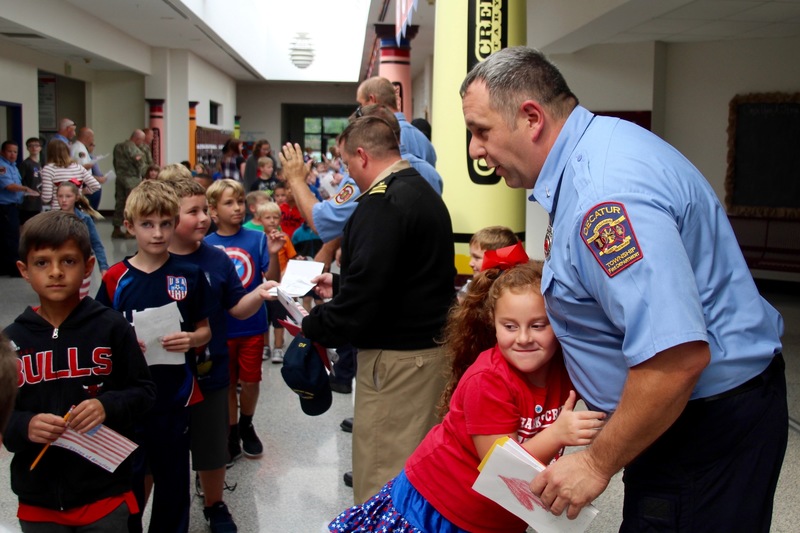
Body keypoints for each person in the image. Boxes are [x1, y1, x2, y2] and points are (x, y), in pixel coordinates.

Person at [460, 46, 787, 530]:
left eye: (481, 131)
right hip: (681, 419)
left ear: (531, 117)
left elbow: (675, 357)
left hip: (701, 427)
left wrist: (595, 463)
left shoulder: (604, 195)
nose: (475, 150)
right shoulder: (597, 152)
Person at [329, 255, 605, 532]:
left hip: (494, 516)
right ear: (492, 324)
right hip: (438, 508)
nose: (523, 338)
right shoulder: (488, 380)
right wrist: (557, 434)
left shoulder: (564, 367)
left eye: (538, 325)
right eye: (510, 326)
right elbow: (502, 467)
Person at [289, 116, 456, 503]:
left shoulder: (383, 203)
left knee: (383, 479)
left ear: (361, 156)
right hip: (424, 355)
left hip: (398, 362)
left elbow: (360, 307)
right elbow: (400, 277)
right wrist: (343, 285)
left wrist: (312, 324)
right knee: (413, 474)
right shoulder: (418, 190)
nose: (348, 172)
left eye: (347, 163)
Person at [4, 210, 155, 532]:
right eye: (42, 262)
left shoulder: (112, 327)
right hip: (38, 501)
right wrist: (24, 424)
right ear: (24, 270)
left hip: (106, 493)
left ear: (87, 266)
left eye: (68, 261)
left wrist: (106, 405)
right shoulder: (10, 341)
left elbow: (144, 392)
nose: (56, 272)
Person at [96, 179, 212, 533]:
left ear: (175, 224)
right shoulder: (116, 278)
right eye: (147, 225)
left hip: (174, 398)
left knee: (173, 483)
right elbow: (100, 342)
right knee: (129, 479)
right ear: (129, 226)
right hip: (128, 402)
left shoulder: (189, 275)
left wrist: (191, 339)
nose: (158, 233)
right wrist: (124, 347)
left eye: (165, 223)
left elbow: (206, 330)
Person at [164, 175, 279, 533]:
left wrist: (259, 295)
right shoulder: (156, 260)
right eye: (193, 211)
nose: (202, 218)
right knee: (165, 447)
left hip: (210, 366)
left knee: (213, 445)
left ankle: (214, 503)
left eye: (203, 211)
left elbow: (236, 308)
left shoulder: (216, 259)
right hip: (165, 376)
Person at [205, 179, 279, 464]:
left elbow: (272, 279)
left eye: (239, 202)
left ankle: (247, 423)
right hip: (221, 328)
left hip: (252, 325)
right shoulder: (208, 245)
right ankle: (231, 431)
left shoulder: (256, 238)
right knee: (226, 383)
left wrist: (273, 255)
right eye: (228, 203)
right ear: (213, 210)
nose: (237, 208)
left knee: (250, 381)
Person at [356, 77, 437, 167]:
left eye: (361, 105)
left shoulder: (385, 137)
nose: (361, 112)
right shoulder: (423, 140)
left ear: (373, 100)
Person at [254, 201, 296, 364]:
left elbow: (291, 258)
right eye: (267, 217)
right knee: (264, 316)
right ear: (259, 219)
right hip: (262, 284)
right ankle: (266, 345)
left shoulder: (284, 237)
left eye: (275, 217)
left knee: (279, 317)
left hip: (281, 285)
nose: (272, 221)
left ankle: (278, 347)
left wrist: (284, 274)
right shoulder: (258, 239)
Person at [55, 181, 108, 299]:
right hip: (61, 265)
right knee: (63, 297)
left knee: (80, 298)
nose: (64, 200)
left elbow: (96, 244)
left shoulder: (85, 219)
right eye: (60, 196)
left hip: (81, 264)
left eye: (68, 196)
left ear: (76, 197)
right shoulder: (53, 220)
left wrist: (103, 267)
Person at [1, 141, 38, 277]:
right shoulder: (2, 167)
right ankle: (12, 268)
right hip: (5, 207)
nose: (13, 154)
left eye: (15, 152)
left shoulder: (14, 167)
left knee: (12, 236)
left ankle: (6, 266)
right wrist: (26, 189)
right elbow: (9, 186)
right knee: (11, 238)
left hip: (15, 206)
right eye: (10, 151)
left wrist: (27, 194)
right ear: (3, 152)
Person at [40, 139, 102, 212]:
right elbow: (96, 186)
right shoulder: (78, 167)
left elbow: (46, 198)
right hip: (77, 211)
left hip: (58, 212)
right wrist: (80, 192)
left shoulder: (49, 169)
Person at [111, 130, 146, 239]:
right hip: (131, 180)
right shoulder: (133, 147)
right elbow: (140, 163)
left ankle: (116, 229)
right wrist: (144, 174)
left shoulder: (118, 147)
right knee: (131, 204)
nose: (141, 143)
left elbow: (114, 162)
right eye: (141, 141)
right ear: (137, 139)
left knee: (120, 203)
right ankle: (128, 231)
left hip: (120, 178)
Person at [18, 138, 43, 225]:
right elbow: (19, 180)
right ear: (27, 148)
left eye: (36, 145)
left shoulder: (40, 164)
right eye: (31, 146)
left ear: (40, 148)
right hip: (28, 203)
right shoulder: (26, 163)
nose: (34, 148)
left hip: (38, 201)